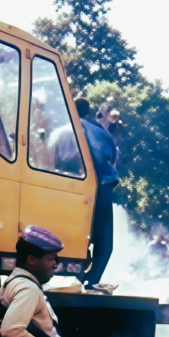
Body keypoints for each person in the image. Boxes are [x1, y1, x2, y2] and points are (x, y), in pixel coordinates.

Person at [75, 97, 118, 287]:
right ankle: (90, 281)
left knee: (77, 235)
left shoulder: (66, 129)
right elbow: (112, 158)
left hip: (73, 187)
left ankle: (80, 275)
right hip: (102, 186)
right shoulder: (101, 132)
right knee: (105, 242)